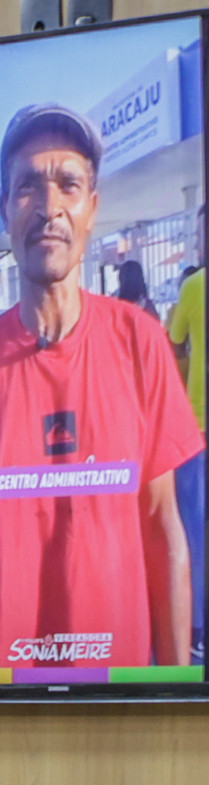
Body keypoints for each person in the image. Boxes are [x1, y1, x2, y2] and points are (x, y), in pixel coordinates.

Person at [0, 105, 199, 672]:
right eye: (28, 185)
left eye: (68, 184)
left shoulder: (141, 343)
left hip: (117, 689)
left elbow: (164, 531)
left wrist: (172, 688)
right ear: (6, 209)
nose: (49, 206)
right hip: (6, 691)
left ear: (92, 209)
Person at [167, 259, 209, 660]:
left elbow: (175, 340)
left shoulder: (195, 286)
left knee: (194, 533)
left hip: (198, 426)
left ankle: (198, 628)